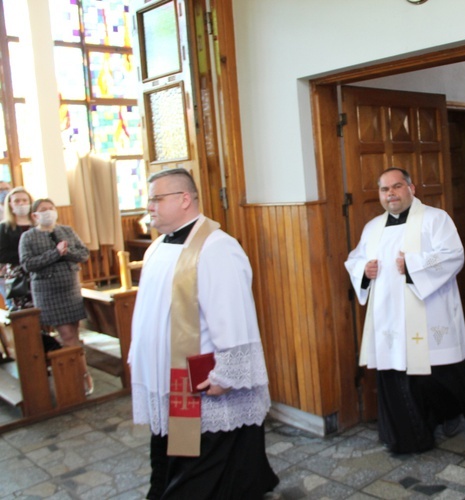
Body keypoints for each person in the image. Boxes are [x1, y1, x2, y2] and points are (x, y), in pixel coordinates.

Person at [129, 168, 278, 499]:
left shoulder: (216, 247)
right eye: (149, 199)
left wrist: (226, 374)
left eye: (156, 199)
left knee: (201, 470)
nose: (149, 206)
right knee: (172, 456)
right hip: (167, 379)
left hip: (199, 383)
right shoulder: (156, 248)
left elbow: (233, 315)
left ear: (185, 199)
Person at [345, 167, 465, 454]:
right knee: (398, 374)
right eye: (384, 189)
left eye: (397, 186)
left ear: (411, 188)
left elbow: (454, 255)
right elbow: (354, 259)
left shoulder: (435, 219)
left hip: (429, 310)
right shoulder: (373, 228)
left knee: (444, 371)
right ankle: (410, 436)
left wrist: (414, 265)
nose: (391, 193)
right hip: (389, 316)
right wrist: (363, 270)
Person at [19, 198, 92, 393]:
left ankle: (77, 374)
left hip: (70, 289)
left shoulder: (66, 230)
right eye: (44, 210)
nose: (49, 212)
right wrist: (55, 253)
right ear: (35, 215)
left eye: (51, 208)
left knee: (72, 335)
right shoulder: (28, 237)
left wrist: (66, 253)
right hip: (48, 293)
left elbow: (84, 254)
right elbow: (27, 264)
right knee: (67, 335)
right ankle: (80, 377)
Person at [0, 187, 34, 310]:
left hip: (40, 271)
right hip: (18, 275)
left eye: (25, 200)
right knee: (24, 310)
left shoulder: (36, 224)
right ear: (10, 204)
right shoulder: (5, 227)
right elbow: (2, 254)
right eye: (17, 201)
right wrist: (27, 257)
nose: (21, 204)